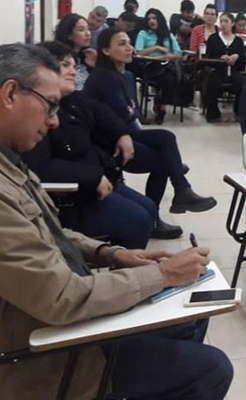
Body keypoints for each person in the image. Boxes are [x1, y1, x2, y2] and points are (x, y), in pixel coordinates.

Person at [0, 42, 233, 400]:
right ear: (11, 94)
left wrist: (112, 254)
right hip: (44, 350)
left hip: (56, 313)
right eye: (48, 105)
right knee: (211, 368)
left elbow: (52, 232)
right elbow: (61, 297)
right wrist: (163, 275)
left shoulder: (10, 161)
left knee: (189, 316)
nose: (54, 120)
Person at [22, 41, 157, 247]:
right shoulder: (37, 112)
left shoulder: (70, 101)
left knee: (149, 207)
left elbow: (102, 113)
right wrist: (92, 176)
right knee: (138, 219)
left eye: (74, 66)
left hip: (92, 179)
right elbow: (40, 167)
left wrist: (122, 134)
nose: (73, 72)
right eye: (65, 65)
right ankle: (123, 266)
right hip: (68, 196)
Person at [85, 28, 217, 225]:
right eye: (121, 44)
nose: (129, 48)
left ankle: (179, 189)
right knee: (165, 158)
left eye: (129, 43)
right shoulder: (102, 77)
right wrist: (128, 114)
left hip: (127, 132)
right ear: (105, 50)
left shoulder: (127, 76)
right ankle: (165, 205)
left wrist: (129, 114)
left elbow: (131, 113)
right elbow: (119, 116)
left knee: (166, 138)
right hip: (109, 143)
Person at [135, 8, 183, 123]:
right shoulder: (143, 34)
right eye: (149, 18)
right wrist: (156, 48)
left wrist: (163, 57)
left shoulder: (168, 35)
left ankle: (162, 108)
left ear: (160, 20)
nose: (151, 21)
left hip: (166, 65)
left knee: (169, 78)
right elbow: (138, 52)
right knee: (167, 77)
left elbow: (178, 54)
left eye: (154, 18)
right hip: (149, 66)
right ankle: (161, 103)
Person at [205, 12, 246, 122]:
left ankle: (239, 111)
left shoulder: (238, 41)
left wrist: (236, 57)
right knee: (212, 83)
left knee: (242, 82)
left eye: (226, 21)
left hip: (234, 71)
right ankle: (213, 113)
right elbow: (208, 58)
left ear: (232, 23)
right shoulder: (213, 38)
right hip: (218, 70)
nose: (223, 24)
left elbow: (243, 61)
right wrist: (220, 58)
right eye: (221, 21)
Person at [54, 13, 94, 90]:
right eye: (81, 30)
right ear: (69, 35)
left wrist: (93, 66)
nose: (88, 33)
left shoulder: (86, 55)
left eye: (88, 29)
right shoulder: (61, 58)